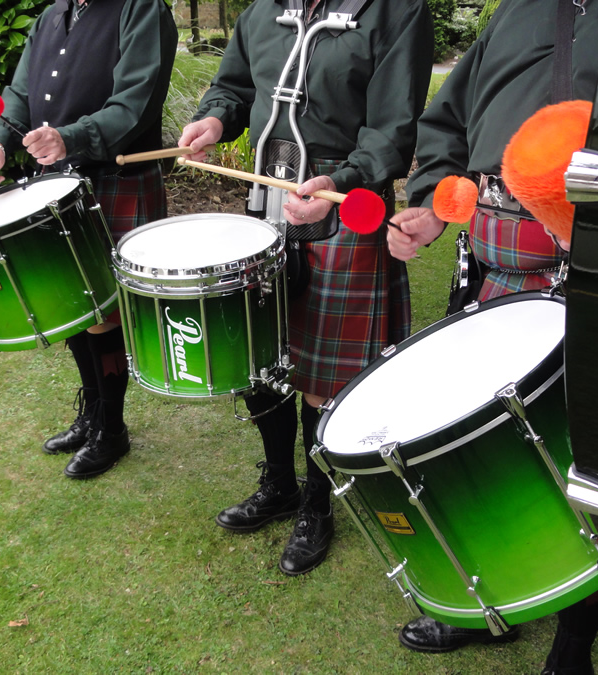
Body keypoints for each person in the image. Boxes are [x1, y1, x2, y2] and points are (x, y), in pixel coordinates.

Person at [387, 0, 598, 672]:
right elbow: (446, 121)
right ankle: (493, 604)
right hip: (493, 257)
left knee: (586, 457)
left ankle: (574, 641)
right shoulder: (514, 14)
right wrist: (433, 202)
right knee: (486, 444)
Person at [178, 0, 434, 576]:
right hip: (265, 200)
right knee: (261, 355)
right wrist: (216, 118)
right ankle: (280, 484)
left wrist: (340, 180)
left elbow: (393, 130)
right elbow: (234, 86)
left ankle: (317, 506)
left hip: (344, 205)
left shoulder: (396, 12)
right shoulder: (264, 10)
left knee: (323, 376)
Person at [0, 0, 177, 479]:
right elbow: (20, 92)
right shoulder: (53, 15)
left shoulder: (141, 8)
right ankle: (91, 412)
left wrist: (73, 137)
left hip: (116, 176)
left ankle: (112, 428)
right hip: (57, 181)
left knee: (103, 314)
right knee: (73, 304)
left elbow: (137, 99)